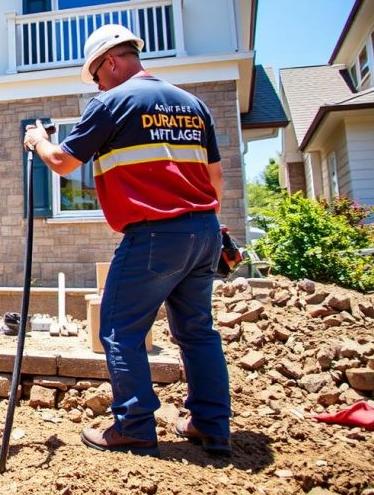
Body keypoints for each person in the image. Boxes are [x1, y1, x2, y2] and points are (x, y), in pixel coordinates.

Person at [23, 24, 232, 457]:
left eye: (96, 74)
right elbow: (215, 180)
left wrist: (39, 141)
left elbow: (63, 162)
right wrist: (202, 227)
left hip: (156, 234)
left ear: (112, 62)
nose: (97, 83)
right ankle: (211, 426)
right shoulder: (193, 104)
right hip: (206, 231)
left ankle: (134, 425)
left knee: (118, 329)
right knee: (197, 332)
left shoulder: (113, 103)